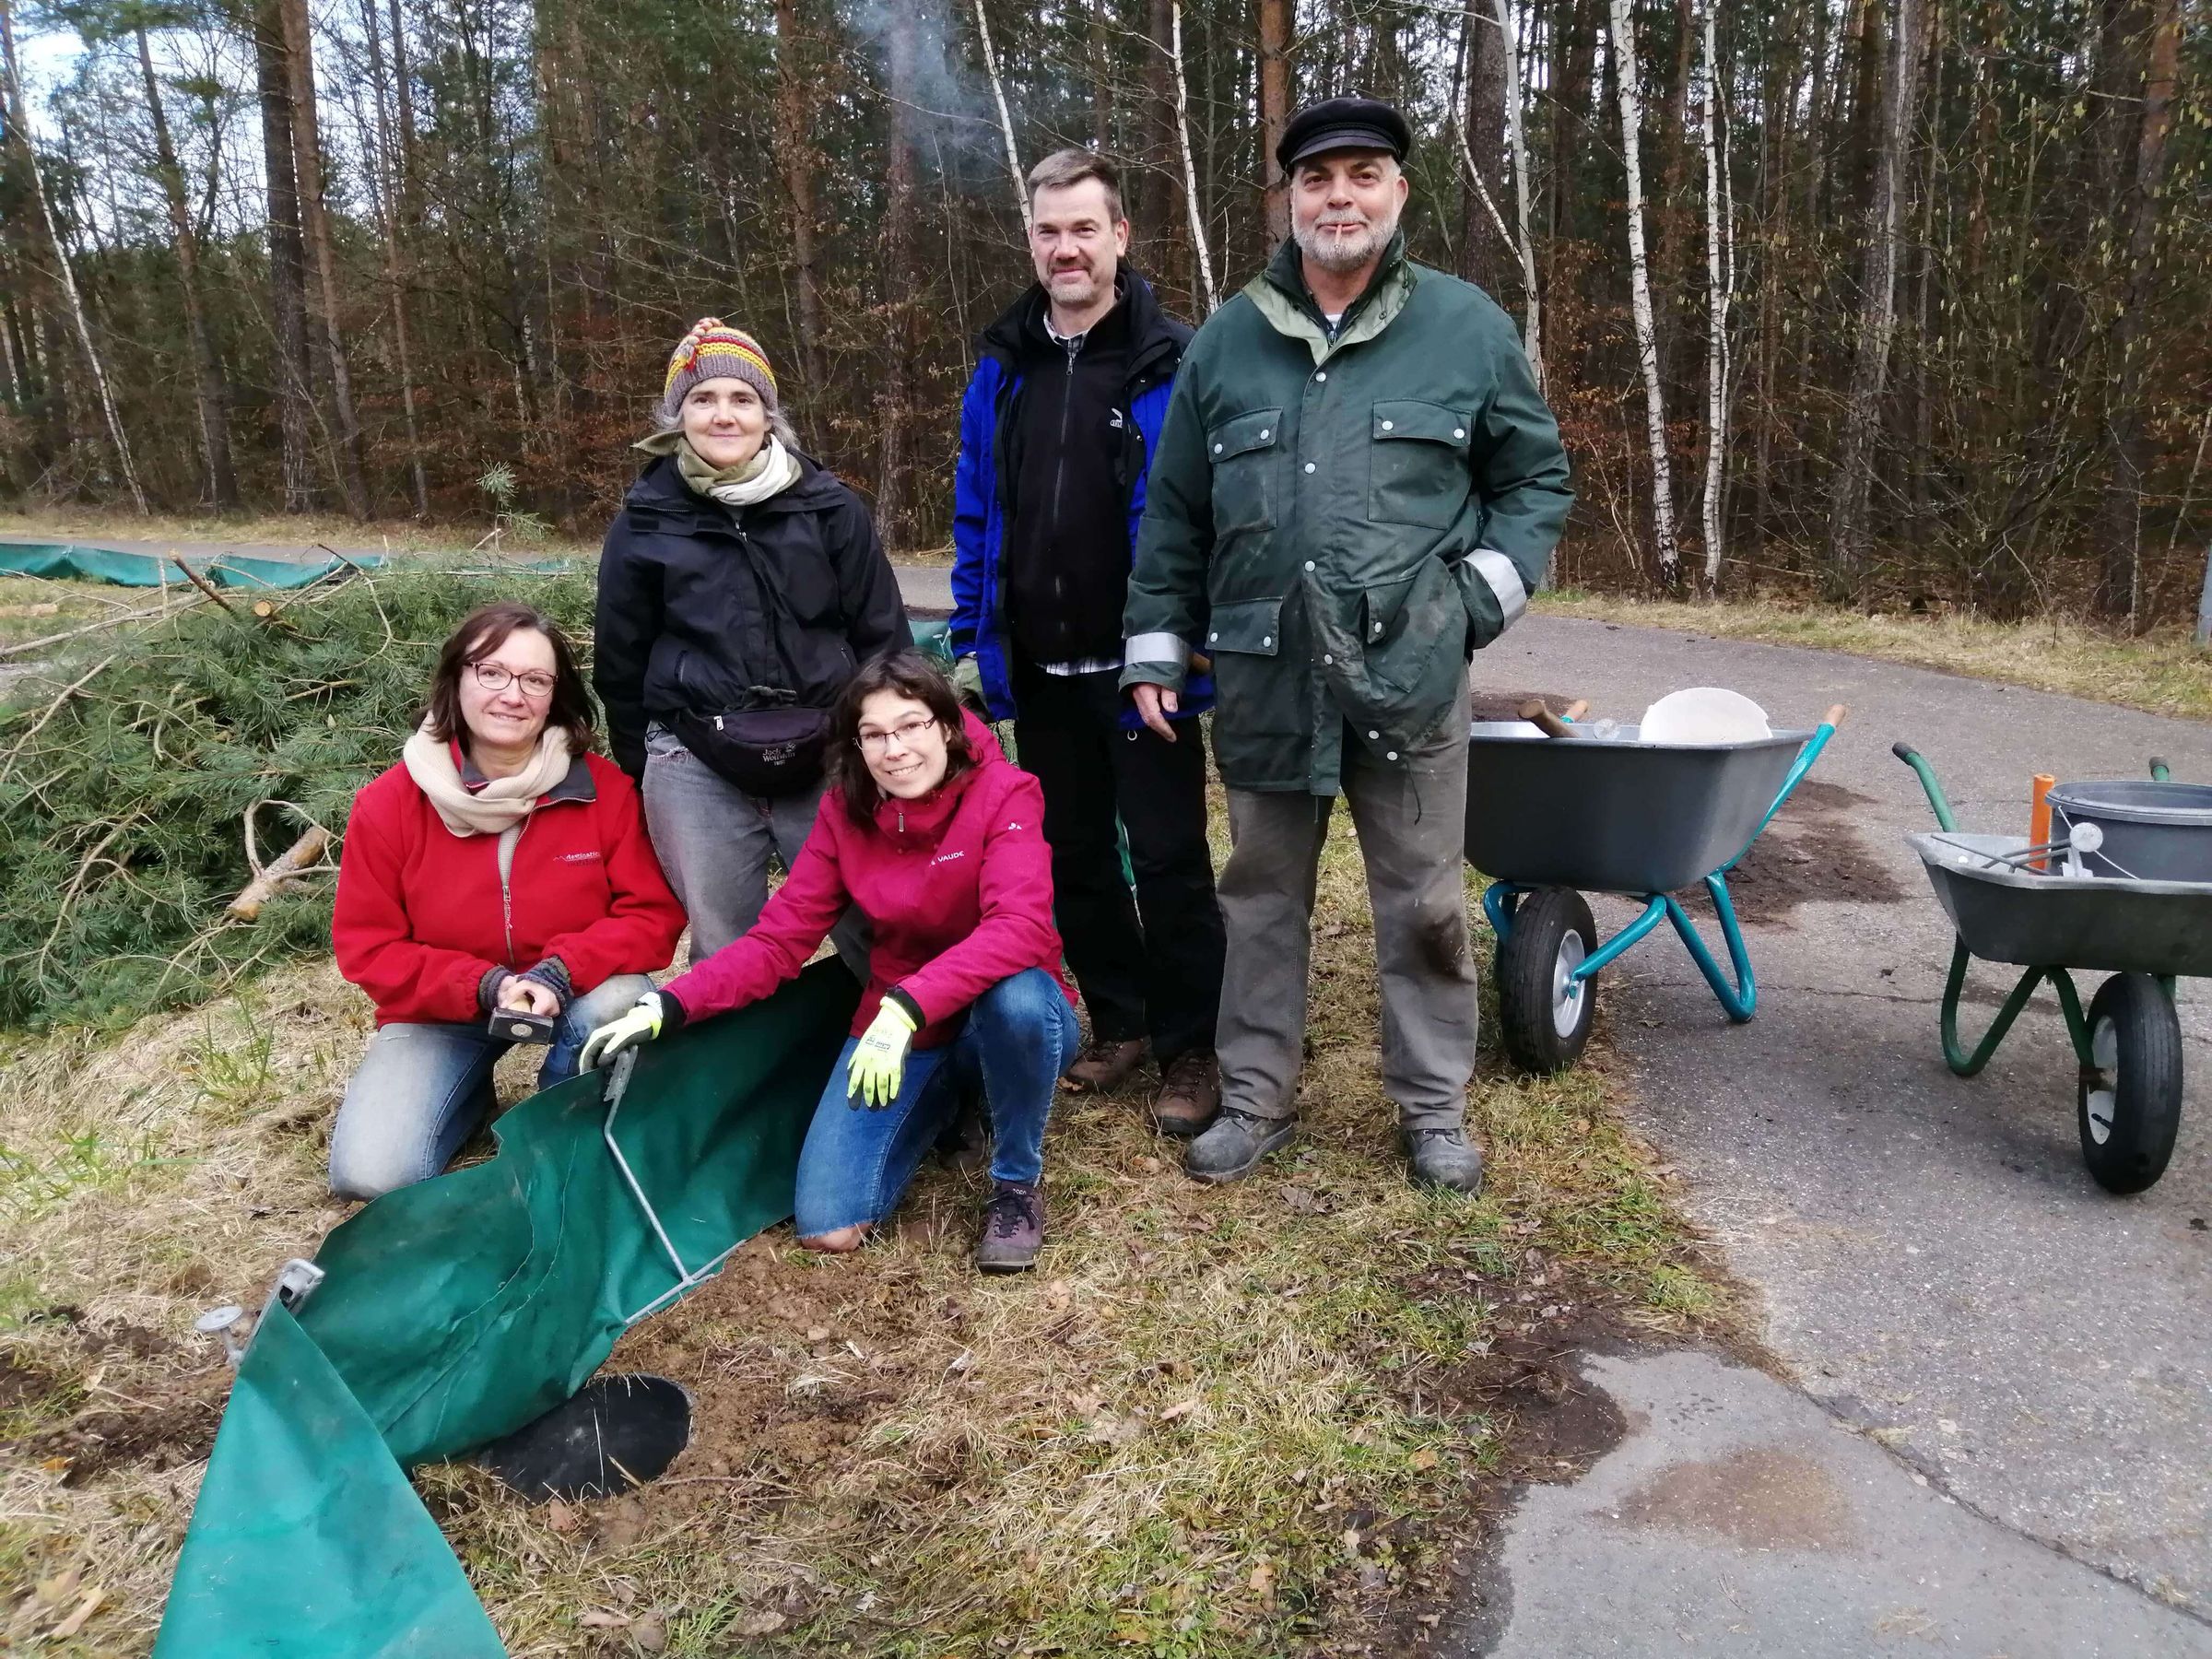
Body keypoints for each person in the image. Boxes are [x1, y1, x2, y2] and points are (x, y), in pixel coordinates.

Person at [1119, 96, 1573, 1192]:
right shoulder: (1229, 338)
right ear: (1291, 199)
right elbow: (1176, 511)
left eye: (1364, 175)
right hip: (1269, 675)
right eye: (1319, 179)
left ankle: (1432, 1112)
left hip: (1413, 677)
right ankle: (1258, 1098)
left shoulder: (1467, 328)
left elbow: (1534, 482)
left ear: (1398, 194)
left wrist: (1470, 604)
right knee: (1262, 894)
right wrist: (1154, 648)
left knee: (1421, 900)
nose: (1340, 196)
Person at [581, 651, 1078, 1273]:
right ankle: (946, 1100)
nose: (894, 749)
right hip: (908, 1026)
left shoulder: (1006, 792)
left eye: (911, 726)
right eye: (874, 735)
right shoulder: (845, 814)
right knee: (828, 1226)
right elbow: (778, 941)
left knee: (1020, 1002)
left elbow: (1021, 927)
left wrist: (905, 1005)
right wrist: (671, 1002)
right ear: (857, 746)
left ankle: (1015, 1183)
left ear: (947, 727)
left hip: (990, 1010)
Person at [948, 148, 1227, 1137]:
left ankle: (1196, 1044)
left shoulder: (1173, 358)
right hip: (1040, 665)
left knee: (1168, 856)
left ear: (1121, 237)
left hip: (1144, 671)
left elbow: (1202, 515)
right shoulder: (1005, 366)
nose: (1065, 248)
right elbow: (977, 508)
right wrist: (973, 640)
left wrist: (1186, 639)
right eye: (1048, 230)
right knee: (1073, 857)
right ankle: (1123, 1019)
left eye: (1083, 228)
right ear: (1031, 240)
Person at [328, 602, 687, 1199]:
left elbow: (650, 915)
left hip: (574, 994)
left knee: (627, 1000)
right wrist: (485, 985)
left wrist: (560, 971)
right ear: (457, 680)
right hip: (441, 1011)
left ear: (555, 696)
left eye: (534, 680)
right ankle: (464, 1094)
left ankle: (555, 1124)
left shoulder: (604, 790)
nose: (511, 695)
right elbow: (368, 949)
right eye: (490, 672)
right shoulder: (387, 804)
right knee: (371, 1175)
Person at [594, 318, 911, 968]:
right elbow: (620, 659)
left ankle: (908, 1056)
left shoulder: (830, 508)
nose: (723, 416)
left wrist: (882, 745)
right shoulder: (645, 519)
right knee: (724, 949)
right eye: (702, 399)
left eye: (742, 399)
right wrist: (639, 763)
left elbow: (881, 636)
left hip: (828, 751)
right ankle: (737, 1060)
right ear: (676, 416)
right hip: (696, 759)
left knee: (872, 928)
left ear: (769, 415)